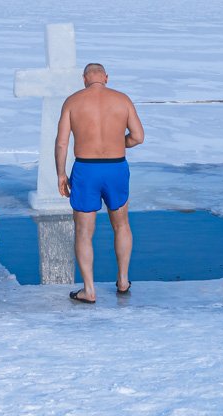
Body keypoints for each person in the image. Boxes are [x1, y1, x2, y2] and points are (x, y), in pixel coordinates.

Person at [54, 62, 144, 304]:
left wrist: (61, 174)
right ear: (106, 77)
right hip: (116, 168)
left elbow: (62, 143)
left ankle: (89, 289)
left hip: (86, 169)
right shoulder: (122, 100)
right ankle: (123, 280)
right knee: (122, 224)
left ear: (84, 79)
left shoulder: (73, 102)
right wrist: (118, 142)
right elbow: (138, 137)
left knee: (84, 232)